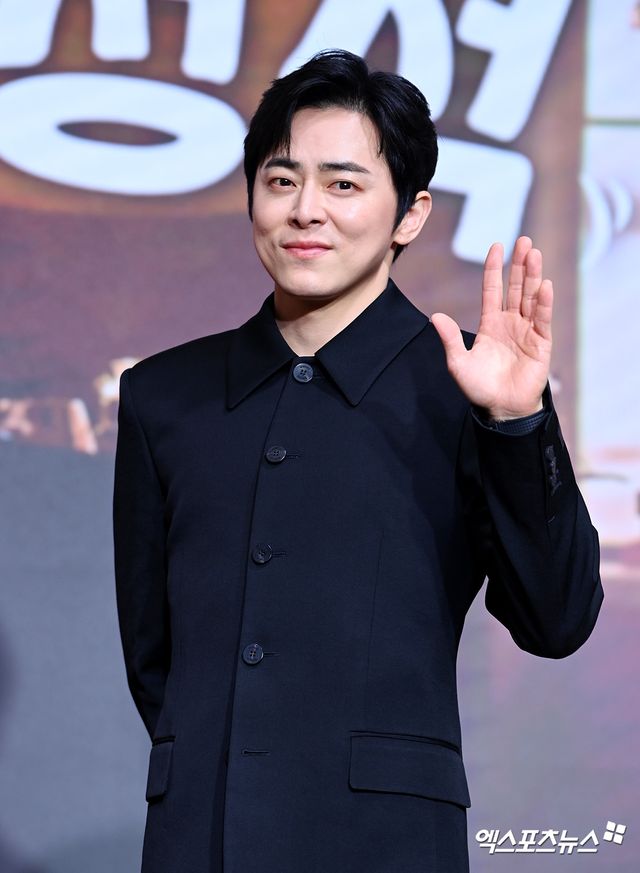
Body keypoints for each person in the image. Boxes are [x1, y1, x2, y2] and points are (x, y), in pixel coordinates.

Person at [113, 49, 603, 873]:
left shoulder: (468, 385)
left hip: (386, 842)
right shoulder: (164, 396)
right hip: (199, 839)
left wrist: (518, 421)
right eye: (281, 180)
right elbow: (154, 658)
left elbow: (557, 620)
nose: (306, 210)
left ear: (410, 214)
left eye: (343, 184)